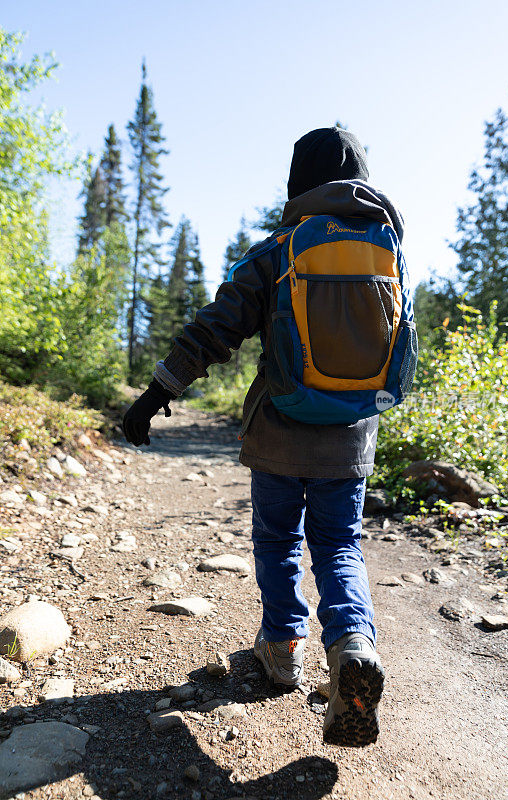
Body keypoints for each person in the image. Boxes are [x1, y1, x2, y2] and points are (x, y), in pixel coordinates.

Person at [123, 127, 407, 747]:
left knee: (277, 538)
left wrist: (152, 399)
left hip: (280, 430)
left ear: (296, 182)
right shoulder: (386, 251)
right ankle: (353, 645)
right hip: (351, 437)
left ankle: (281, 647)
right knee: (339, 547)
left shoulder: (279, 249)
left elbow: (214, 329)